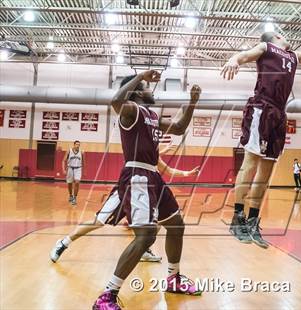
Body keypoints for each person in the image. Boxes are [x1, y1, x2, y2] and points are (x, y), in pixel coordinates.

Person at [75, 70, 201, 309]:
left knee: (176, 225)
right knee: (146, 236)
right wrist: (140, 74)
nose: (149, 89)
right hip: (137, 175)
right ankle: (107, 296)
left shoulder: (152, 115)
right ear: (135, 92)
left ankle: (173, 278)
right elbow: (115, 101)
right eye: (145, 86)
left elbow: (180, 127)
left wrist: (192, 103)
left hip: (153, 175)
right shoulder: (130, 110)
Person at [221, 26, 301, 247]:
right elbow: (245, 55)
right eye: (283, 34)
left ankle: (252, 221)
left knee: (266, 172)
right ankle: (237, 218)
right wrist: (233, 60)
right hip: (262, 107)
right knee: (250, 164)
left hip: (279, 113)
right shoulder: (266, 46)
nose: (287, 36)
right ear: (277, 37)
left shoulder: (293, 56)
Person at [50, 155, 200, 264]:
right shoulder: (135, 146)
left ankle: (145, 250)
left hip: (145, 191)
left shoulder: (153, 150)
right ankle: (63, 243)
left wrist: (187, 173)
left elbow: (166, 169)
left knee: (158, 220)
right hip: (125, 191)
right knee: (98, 222)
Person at [62, 140, 84, 205]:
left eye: (79, 145)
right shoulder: (69, 151)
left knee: (77, 182)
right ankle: (71, 195)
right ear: (74, 145)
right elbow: (63, 161)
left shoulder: (82, 152)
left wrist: (85, 171)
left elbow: (84, 162)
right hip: (70, 168)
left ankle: (75, 198)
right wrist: (63, 169)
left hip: (78, 168)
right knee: (69, 183)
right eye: (76, 144)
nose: (78, 146)